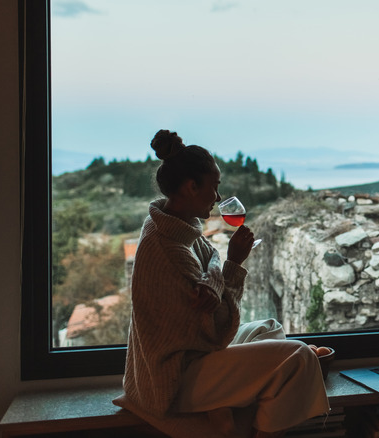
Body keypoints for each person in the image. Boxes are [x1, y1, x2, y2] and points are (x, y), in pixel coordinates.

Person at [113, 130, 329, 438]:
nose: (217, 197)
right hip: (173, 379)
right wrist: (234, 264)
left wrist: (215, 274)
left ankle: (221, 405)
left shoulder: (172, 223)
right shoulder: (169, 250)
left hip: (191, 357)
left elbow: (211, 259)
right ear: (191, 187)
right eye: (214, 187)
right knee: (298, 357)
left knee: (268, 328)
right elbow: (214, 331)